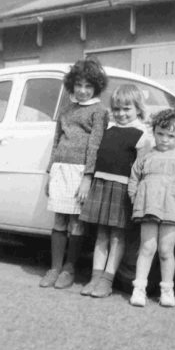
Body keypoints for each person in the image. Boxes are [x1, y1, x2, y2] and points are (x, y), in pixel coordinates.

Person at [40, 58, 109, 289]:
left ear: (96, 88)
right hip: (60, 169)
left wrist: (88, 178)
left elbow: (95, 146)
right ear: (72, 85)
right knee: (59, 220)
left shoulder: (99, 111)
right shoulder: (66, 110)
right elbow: (56, 141)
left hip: (80, 173)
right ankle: (54, 268)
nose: (82, 90)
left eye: (88, 86)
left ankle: (69, 269)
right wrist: (50, 172)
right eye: (78, 85)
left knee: (76, 223)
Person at [79, 84, 153, 298]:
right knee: (101, 235)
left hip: (122, 189)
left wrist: (135, 194)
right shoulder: (108, 130)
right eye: (117, 109)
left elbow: (140, 170)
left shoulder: (142, 135)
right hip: (102, 185)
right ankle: (95, 277)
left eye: (127, 109)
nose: (121, 114)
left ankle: (107, 280)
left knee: (117, 237)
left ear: (138, 108)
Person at [127, 109, 175, 307]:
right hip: (149, 208)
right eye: (160, 134)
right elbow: (134, 177)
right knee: (147, 248)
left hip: (173, 208)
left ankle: (167, 290)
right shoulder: (146, 155)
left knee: (165, 250)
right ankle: (139, 288)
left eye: (171, 136)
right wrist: (135, 198)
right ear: (154, 132)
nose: (165, 140)